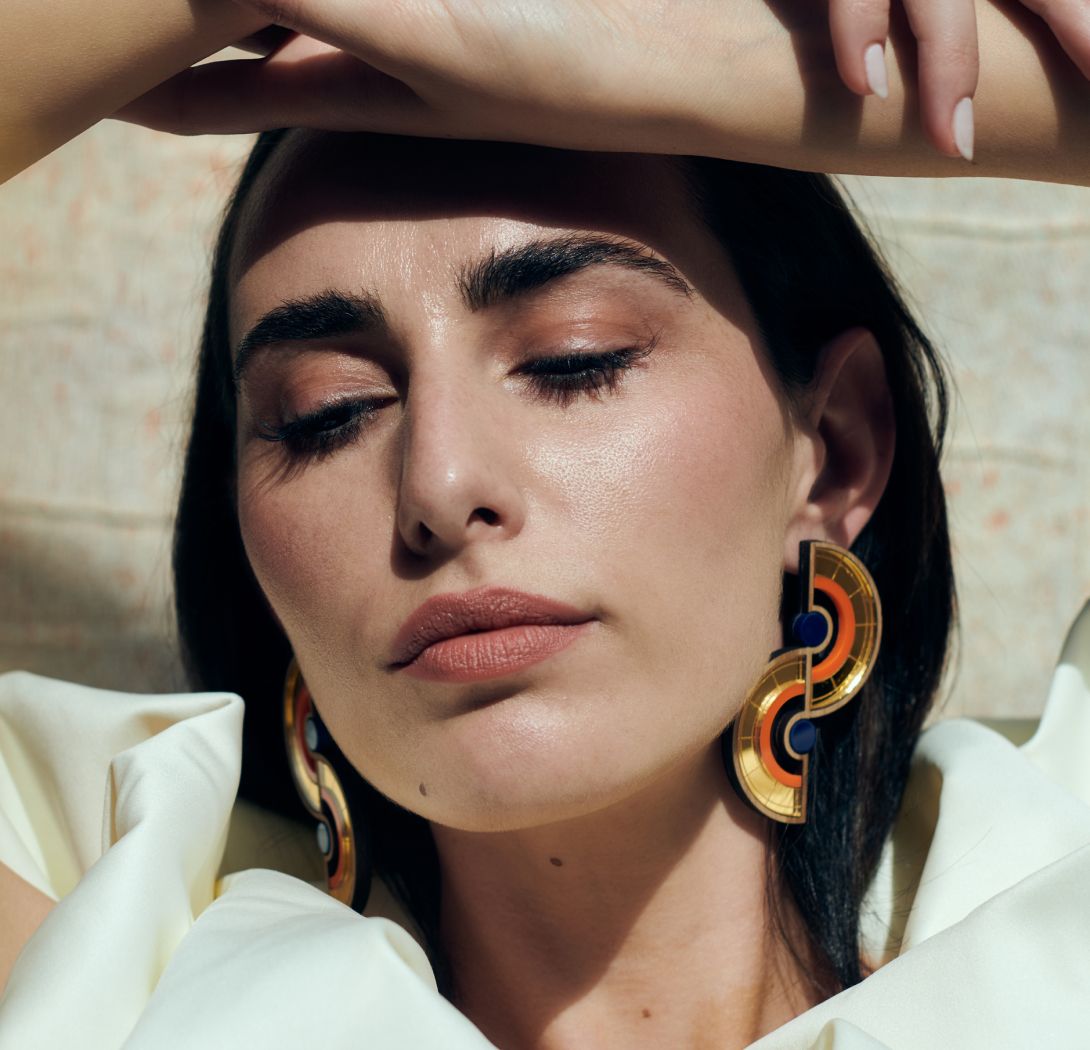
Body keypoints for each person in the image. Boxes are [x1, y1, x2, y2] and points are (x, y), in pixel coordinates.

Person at [1, 2, 1089, 1048]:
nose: (439, 483)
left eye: (574, 360)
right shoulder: (130, 975)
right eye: (325, 415)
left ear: (835, 451)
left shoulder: (1046, 920)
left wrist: (705, 61)